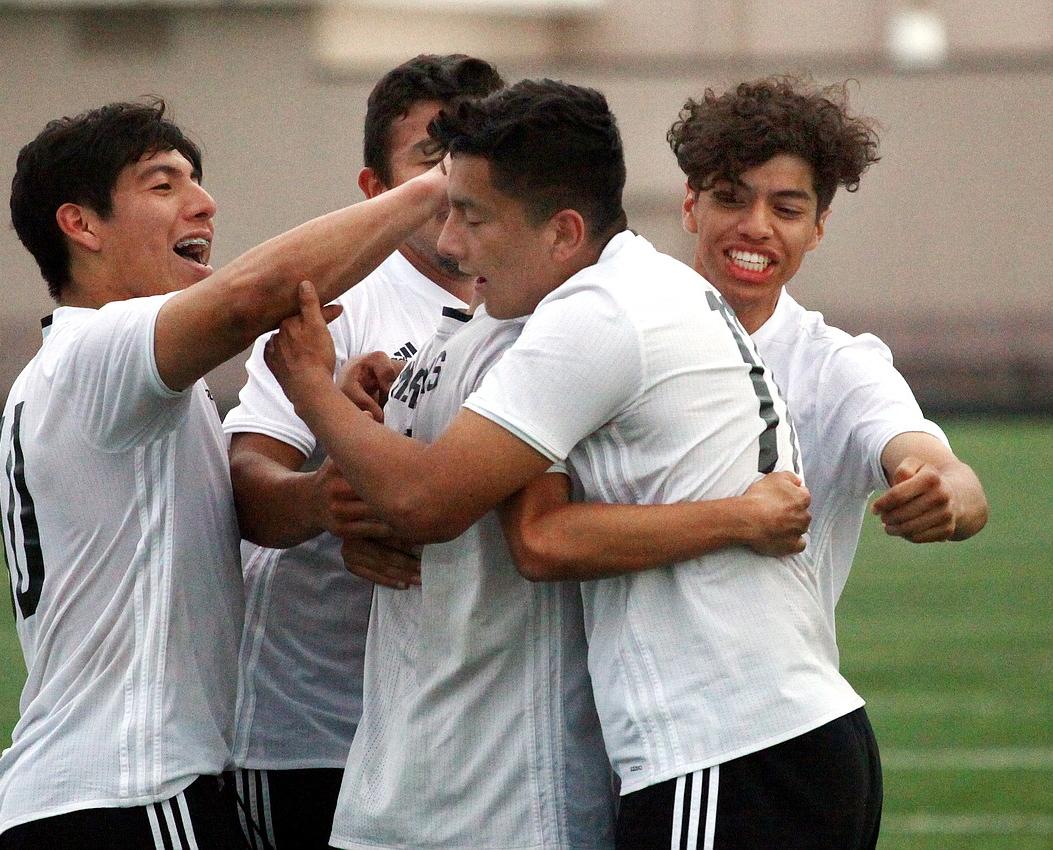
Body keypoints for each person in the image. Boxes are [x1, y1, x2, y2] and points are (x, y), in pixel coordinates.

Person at [270, 79, 878, 849]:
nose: (450, 242)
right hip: (740, 746)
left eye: (472, 215)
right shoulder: (573, 305)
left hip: (727, 741)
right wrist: (379, 422)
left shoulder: (598, 314)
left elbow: (487, 522)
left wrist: (309, 390)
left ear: (562, 232)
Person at [0, 98, 451, 849]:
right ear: (81, 225)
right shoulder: (100, 351)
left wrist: (326, 452)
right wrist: (439, 185)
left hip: (90, 796)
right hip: (136, 795)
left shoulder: (112, 378)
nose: (203, 202)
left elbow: (214, 523)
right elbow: (249, 299)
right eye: (162, 185)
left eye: (195, 181)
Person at [223, 54, 504, 849]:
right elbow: (245, 480)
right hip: (316, 728)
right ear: (376, 191)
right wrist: (325, 501)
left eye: (476, 148)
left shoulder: (538, 304)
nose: (458, 178)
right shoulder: (342, 300)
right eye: (432, 156)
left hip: (467, 726)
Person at [667, 75, 988, 632]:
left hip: (781, 707)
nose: (755, 227)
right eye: (730, 199)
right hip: (615, 712)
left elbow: (950, 476)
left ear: (818, 229)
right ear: (691, 205)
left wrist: (945, 497)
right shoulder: (619, 338)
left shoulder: (838, 367)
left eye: (786, 210)